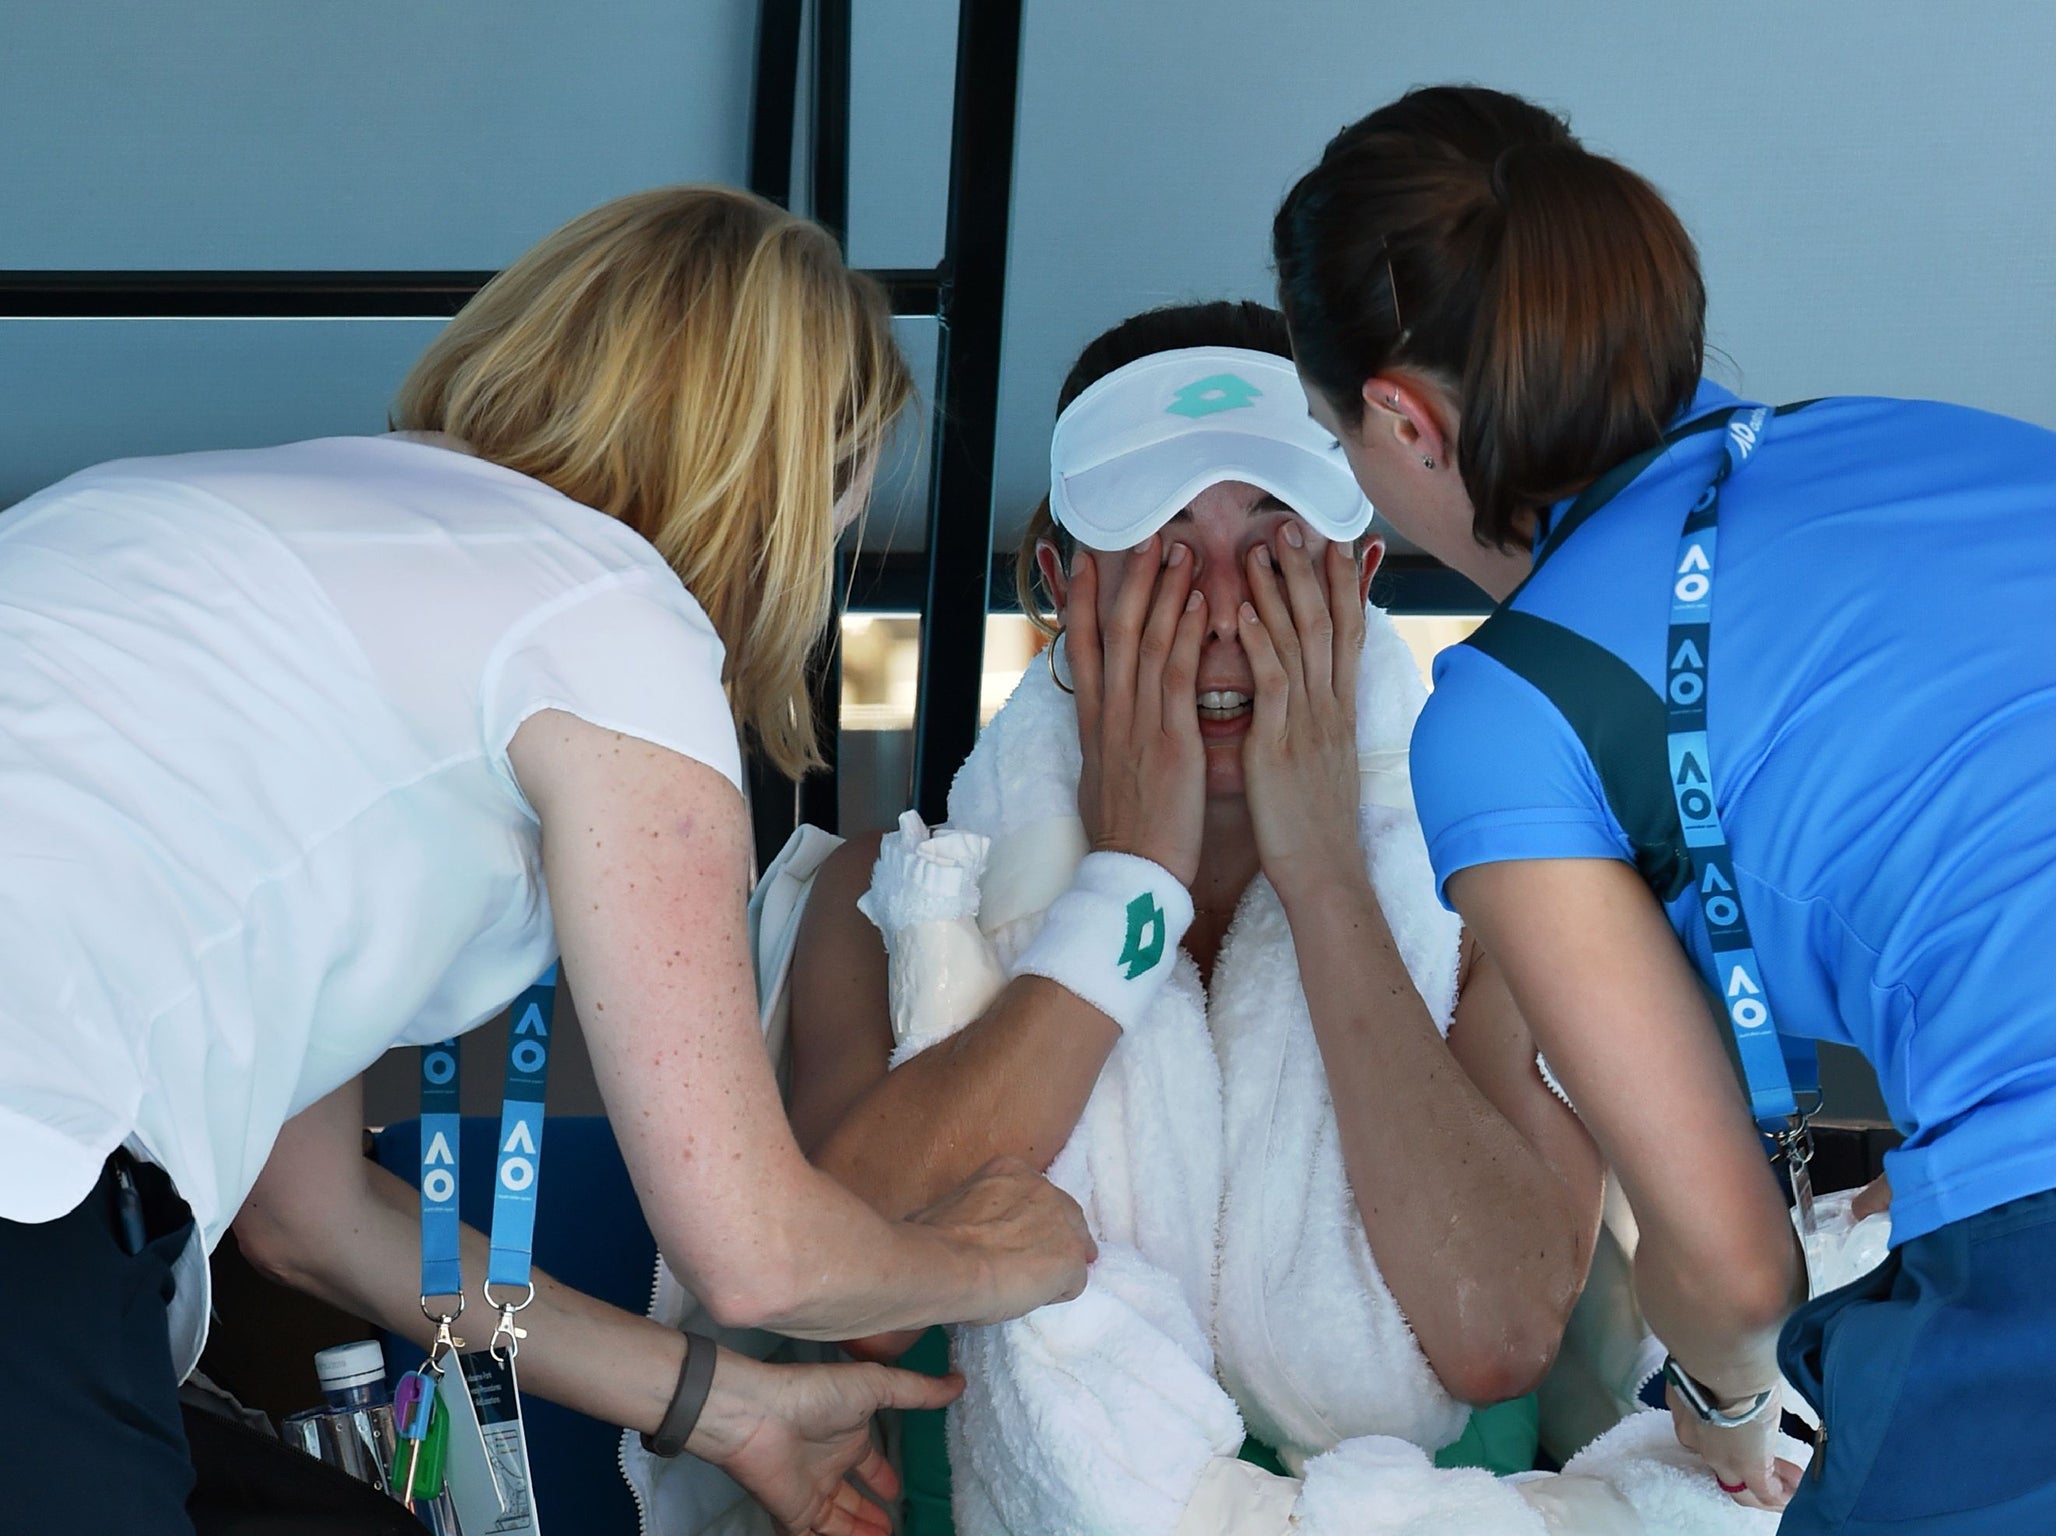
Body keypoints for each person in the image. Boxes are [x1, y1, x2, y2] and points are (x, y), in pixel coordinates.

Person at [0, 184, 1092, 1536]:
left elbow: (312, 1215)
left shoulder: (259, 542)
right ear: (795, 477)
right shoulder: (611, 622)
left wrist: (720, 1407)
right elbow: (754, 1252)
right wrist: (991, 1264)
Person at [778, 304, 1779, 1535]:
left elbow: (1495, 1333)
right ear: (1058, 583)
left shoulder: (1505, 896)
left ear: (1358, 580)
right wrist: (1128, 889)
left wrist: (1325, 880)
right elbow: (839, 1288)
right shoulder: (893, 890)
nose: (1218, 606)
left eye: (1276, 545)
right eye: (1156, 545)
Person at [1273, 84, 2056, 1533]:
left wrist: (1726, 1405)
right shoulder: (1913, 440)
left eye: (1340, 450)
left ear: (1402, 419)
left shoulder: (1515, 709)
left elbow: (1733, 1267)